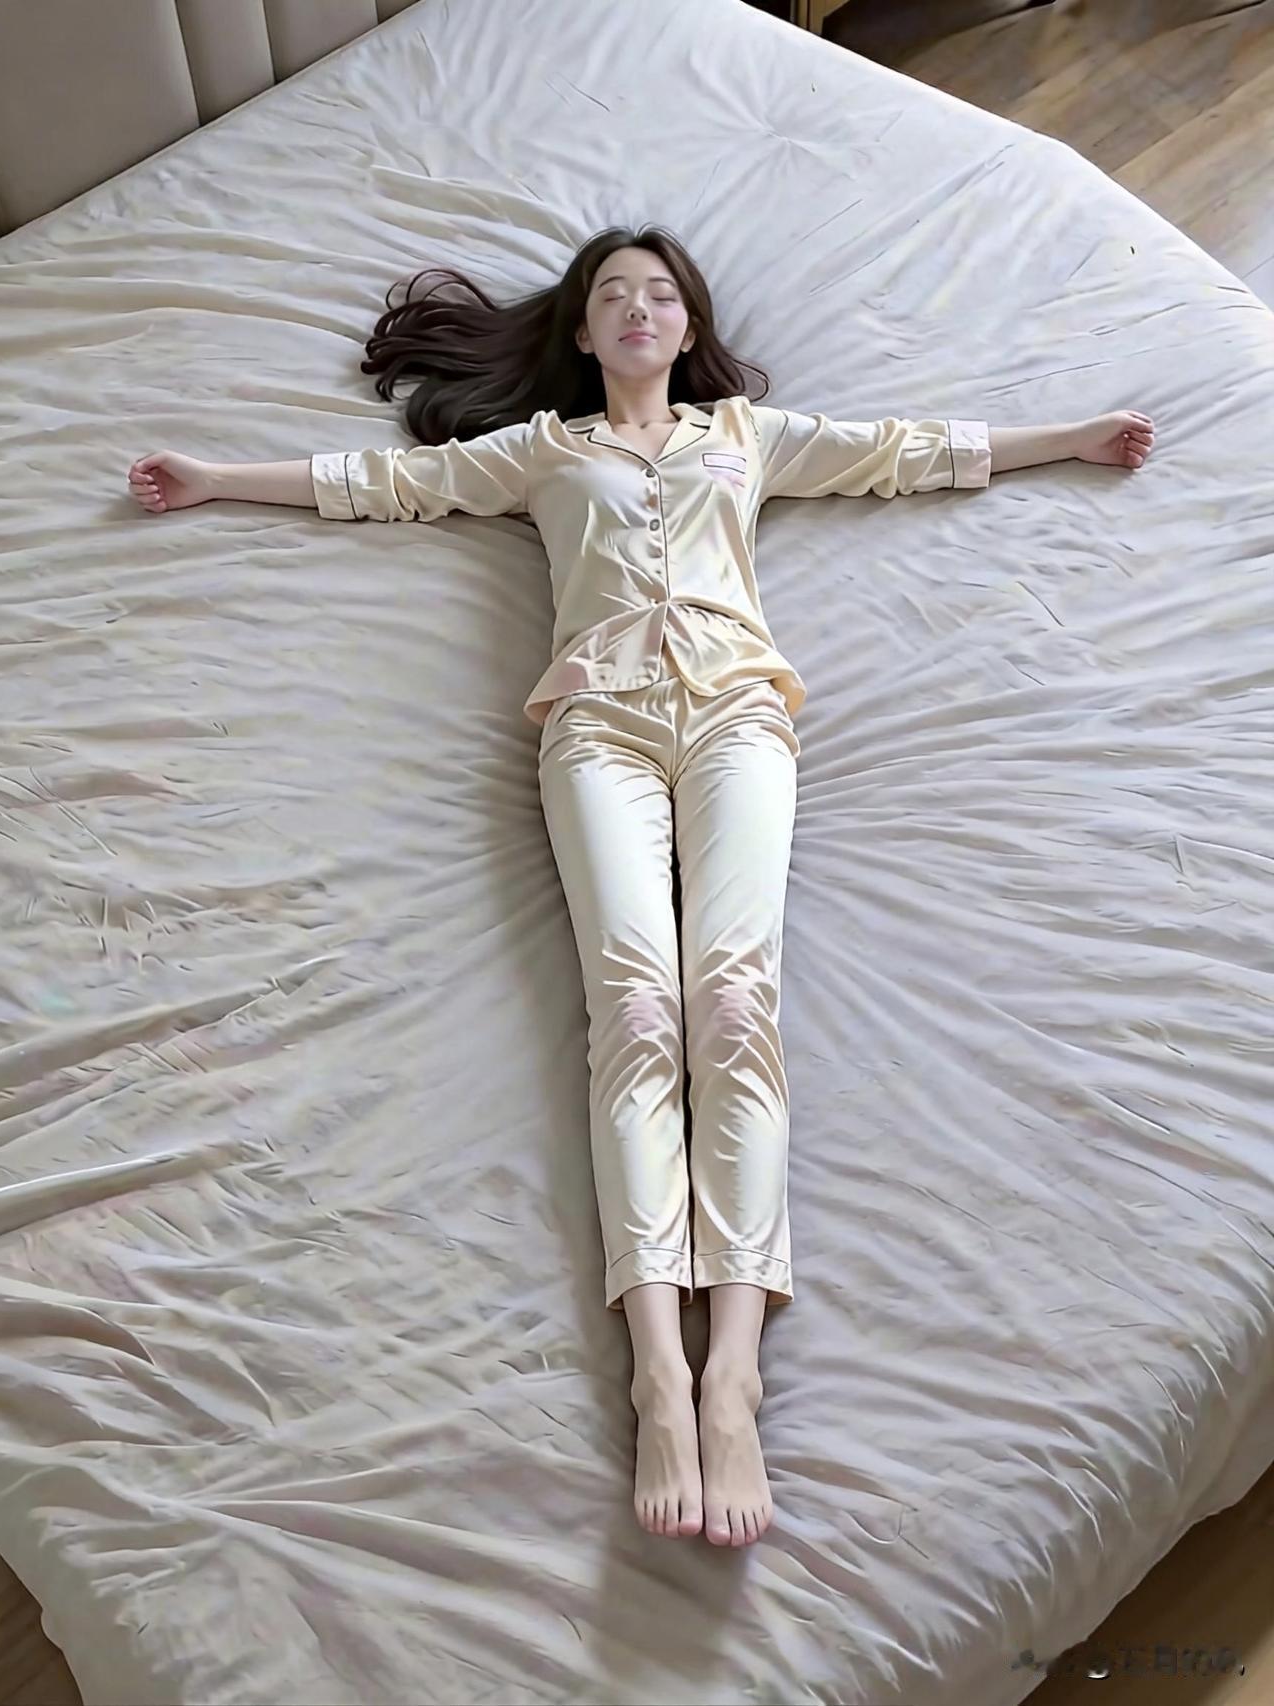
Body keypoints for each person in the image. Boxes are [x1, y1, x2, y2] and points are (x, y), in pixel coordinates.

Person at [127, 224, 1155, 1549]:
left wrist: (1070, 437)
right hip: (596, 722)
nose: (637, 309)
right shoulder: (545, 452)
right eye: (613, 294)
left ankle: (735, 1374)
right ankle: (658, 1372)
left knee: (732, 997)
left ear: (687, 326)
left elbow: (901, 452)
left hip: (737, 714)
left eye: (660, 295)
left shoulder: (745, 436)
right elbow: (393, 482)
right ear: (581, 331)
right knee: (635, 1005)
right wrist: (215, 479)